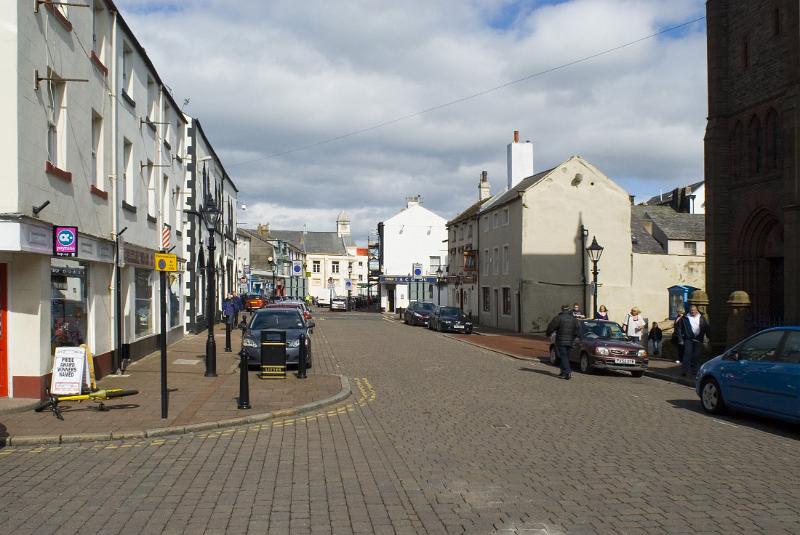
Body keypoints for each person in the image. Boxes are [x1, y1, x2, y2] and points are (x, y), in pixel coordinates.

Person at [546, 304, 578, 380]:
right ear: (569, 310)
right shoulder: (573, 319)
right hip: (570, 341)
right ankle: (563, 373)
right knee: (566, 356)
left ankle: (568, 371)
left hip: (561, 340)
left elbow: (551, 326)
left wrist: (548, 333)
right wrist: (575, 337)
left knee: (563, 356)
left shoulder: (558, 318)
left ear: (562, 310)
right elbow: (577, 329)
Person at [678, 304, 710, 377]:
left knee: (696, 355)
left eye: (694, 310)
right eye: (691, 310)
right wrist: (680, 339)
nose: (693, 312)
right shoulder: (685, 318)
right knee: (687, 354)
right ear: (689, 311)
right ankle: (684, 371)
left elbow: (706, 327)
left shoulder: (702, 317)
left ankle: (694, 370)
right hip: (688, 338)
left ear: (697, 310)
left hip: (698, 339)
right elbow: (679, 328)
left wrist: (709, 336)